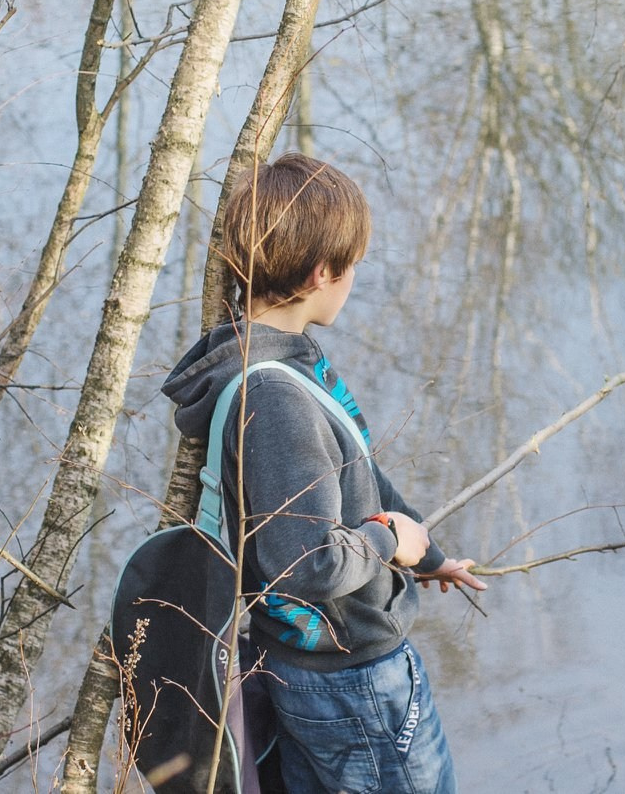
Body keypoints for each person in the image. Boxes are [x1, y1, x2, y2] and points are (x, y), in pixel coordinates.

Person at [163, 152, 484, 794]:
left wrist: (428, 555)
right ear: (320, 274)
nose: (354, 277)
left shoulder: (280, 361)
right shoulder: (276, 398)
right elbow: (306, 563)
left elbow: (360, 476)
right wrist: (390, 542)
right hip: (353, 680)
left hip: (315, 666)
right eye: (352, 265)